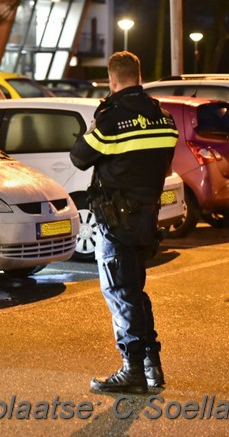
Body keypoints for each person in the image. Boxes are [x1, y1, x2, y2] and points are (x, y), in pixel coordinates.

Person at [70, 51, 178, 394]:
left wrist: (98, 118)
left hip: (115, 221)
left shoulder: (112, 120)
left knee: (120, 293)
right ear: (140, 75)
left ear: (112, 79)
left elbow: (79, 157)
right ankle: (152, 366)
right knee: (136, 292)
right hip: (147, 218)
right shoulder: (164, 117)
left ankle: (132, 370)